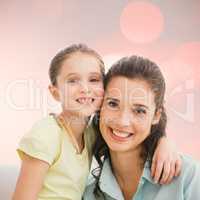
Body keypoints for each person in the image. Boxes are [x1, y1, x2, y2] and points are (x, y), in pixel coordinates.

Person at [13, 44, 181, 200]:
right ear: (55, 92)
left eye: (93, 80)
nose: (85, 89)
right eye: (72, 80)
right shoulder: (47, 134)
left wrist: (164, 141)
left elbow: (142, 125)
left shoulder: (93, 132)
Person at [83, 55, 200, 200]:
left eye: (139, 110)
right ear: (100, 106)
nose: (122, 121)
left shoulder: (188, 177)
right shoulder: (88, 193)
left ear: (156, 115)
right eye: (113, 104)